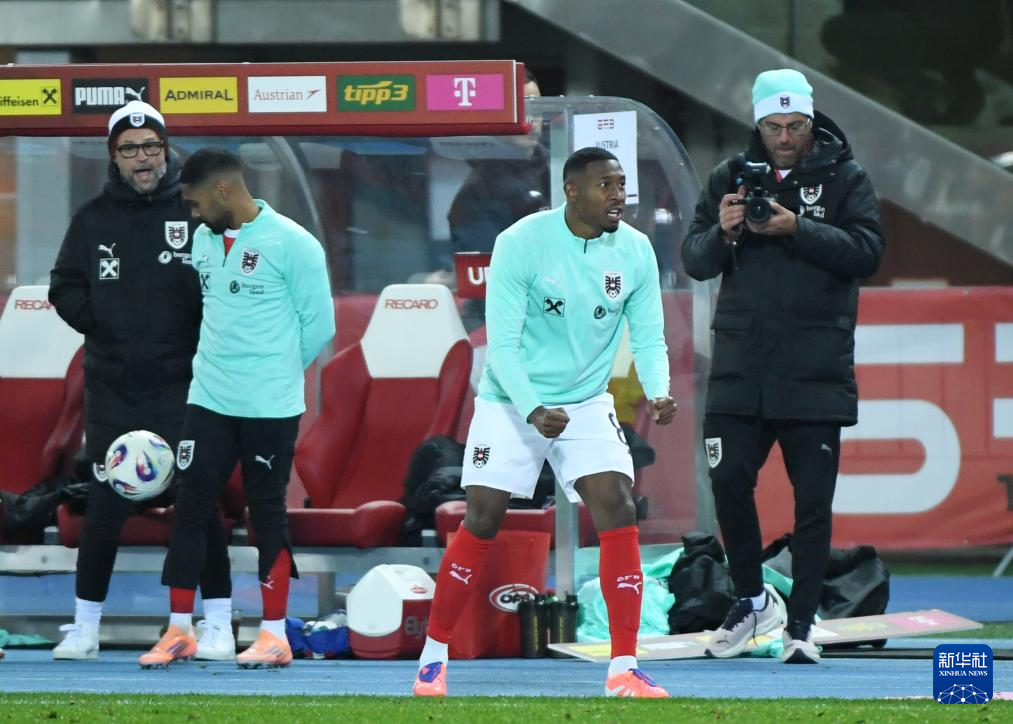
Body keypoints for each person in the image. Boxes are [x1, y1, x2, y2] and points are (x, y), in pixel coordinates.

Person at [412, 147, 677, 698]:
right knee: (483, 518)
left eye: (621, 184)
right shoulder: (521, 242)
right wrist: (533, 408)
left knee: (618, 504)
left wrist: (658, 390)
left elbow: (649, 336)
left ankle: (624, 667)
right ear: (572, 192)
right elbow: (502, 347)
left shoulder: (635, 250)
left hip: (585, 401)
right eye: (605, 185)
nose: (618, 195)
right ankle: (433, 657)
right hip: (511, 400)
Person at [681, 69, 884, 664]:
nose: (786, 137)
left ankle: (801, 624)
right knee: (727, 483)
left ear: (811, 121)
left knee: (812, 503)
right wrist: (723, 232)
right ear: (758, 123)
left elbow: (868, 253)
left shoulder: (846, 177)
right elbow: (694, 259)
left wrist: (799, 227)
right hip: (740, 365)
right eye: (774, 126)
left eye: (796, 125)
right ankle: (751, 600)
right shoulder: (729, 176)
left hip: (813, 367)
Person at [48, 101, 234, 662]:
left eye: (151, 146)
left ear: (166, 150)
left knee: (197, 501)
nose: (142, 158)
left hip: (185, 386)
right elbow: (63, 286)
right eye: (129, 149)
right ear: (115, 157)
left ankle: (219, 624)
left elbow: (226, 282)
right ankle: (85, 628)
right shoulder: (91, 219)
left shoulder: (196, 211)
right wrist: (102, 323)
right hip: (113, 388)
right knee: (105, 504)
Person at [138, 148, 335, 669]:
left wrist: (275, 371)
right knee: (190, 505)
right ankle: (179, 630)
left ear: (223, 191)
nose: (193, 213)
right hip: (209, 396)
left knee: (265, 512)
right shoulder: (203, 241)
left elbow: (320, 326)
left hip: (269, 404)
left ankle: (274, 635)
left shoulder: (294, 244)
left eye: (196, 202)